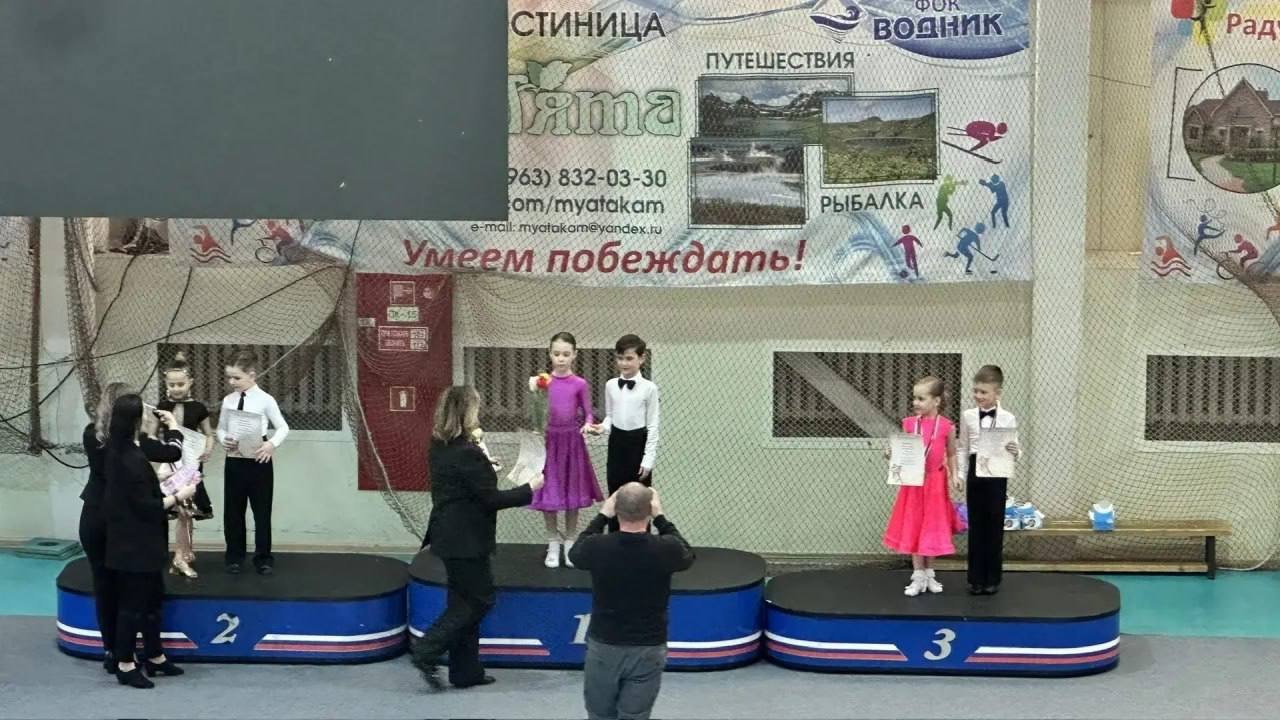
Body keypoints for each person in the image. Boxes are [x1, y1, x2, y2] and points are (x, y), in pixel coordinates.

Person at [412, 386, 543, 691]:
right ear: (466, 412)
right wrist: (530, 488)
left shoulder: (441, 445)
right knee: (479, 601)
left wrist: (487, 467)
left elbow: (467, 484)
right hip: (466, 539)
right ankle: (426, 649)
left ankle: (465, 671)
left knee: (462, 601)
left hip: (448, 533)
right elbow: (490, 499)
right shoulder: (468, 453)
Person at [80, 383, 185, 674]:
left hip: (96, 516)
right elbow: (170, 453)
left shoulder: (93, 434)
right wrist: (169, 428)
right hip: (119, 521)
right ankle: (128, 654)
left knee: (106, 587)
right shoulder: (128, 446)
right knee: (130, 591)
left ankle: (115, 652)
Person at [568, 484, 694, 720]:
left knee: (599, 713)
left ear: (615, 509)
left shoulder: (598, 547)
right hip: (648, 645)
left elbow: (575, 553)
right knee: (636, 715)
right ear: (650, 509)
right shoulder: (666, 548)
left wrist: (602, 516)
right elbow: (687, 553)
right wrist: (661, 517)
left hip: (605, 644)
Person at [102, 394, 195, 688]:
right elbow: (146, 506)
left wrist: (173, 427)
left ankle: (155, 656)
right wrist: (179, 496)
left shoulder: (132, 447)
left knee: (153, 600)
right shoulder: (126, 458)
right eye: (144, 413)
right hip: (133, 545)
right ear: (134, 420)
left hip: (146, 541)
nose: (148, 417)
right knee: (132, 606)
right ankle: (125, 664)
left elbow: (170, 454)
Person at [883, 376, 961, 596]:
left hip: (936, 484)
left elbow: (951, 453)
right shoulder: (909, 424)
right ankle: (917, 575)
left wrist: (956, 475)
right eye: (914, 398)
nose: (915, 402)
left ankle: (929, 573)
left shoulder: (947, 426)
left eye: (921, 398)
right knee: (915, 525)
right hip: (914, 484)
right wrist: (890, 454)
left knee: (932, 527)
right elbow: (903, 452)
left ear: (936, 401)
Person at [530, 332, 602, 568]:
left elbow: (588, 412)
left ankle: (570, 542)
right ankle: (553, 542)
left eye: (566, 354)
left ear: (574, 355)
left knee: (572, 492)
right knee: (548, 491)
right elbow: (536, 412)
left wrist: (588, 424)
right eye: (556, 354)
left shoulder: (579, 383)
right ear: (550, 354)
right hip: (549, 442)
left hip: (572, 442)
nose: (561, 358)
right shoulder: (542, 382)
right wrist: (537, 426)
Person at [217, 350, 289, 575]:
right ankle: (234, 557)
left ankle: (263, 558)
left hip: (259, 460)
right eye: (229, 377)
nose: (231, 382)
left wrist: (271, 444)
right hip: (235, 460)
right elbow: (220, 428)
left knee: (261, 511)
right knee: (233, 511)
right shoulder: (228, 401)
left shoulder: (266, 400)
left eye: (236, 377)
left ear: (252, 375)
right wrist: (223, 439)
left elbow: (283, 427)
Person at [585, 334, 661, 533]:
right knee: (616, 496)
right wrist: (602, 427)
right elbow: (611, 416)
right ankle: (614, 539)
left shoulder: (649, 388)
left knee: (640, 500)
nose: (624, 363)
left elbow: (653, 425)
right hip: (616, 444)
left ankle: (641, 543)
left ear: (641, 358)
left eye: (629, 358)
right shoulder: (611, 385)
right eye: (620, 358)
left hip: (638, 445)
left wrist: (648, 459)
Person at [956, 365, 1020, 595]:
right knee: (976, 525)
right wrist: (960, 474)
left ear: (997, 393)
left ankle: (993, 578)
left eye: (983, 392)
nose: (978, 396)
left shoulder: (1008, 418)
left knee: (994, 525)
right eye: (976, 391)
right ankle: (975, 579)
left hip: (998, 472)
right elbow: (962, 447)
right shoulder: (968, 416)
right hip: (975, 469)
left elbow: (1015, 447)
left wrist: (1016, 451)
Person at [156, 352, 216, 578]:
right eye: (171, 385)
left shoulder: (198, 407)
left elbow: (209, 434)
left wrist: (208, 450)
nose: (176, 388)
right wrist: (159, 451)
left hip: (191, 465)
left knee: (187, 512)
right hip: (170, 466)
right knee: (180, 511)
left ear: (190, 382)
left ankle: (182, 555)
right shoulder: (162, 406)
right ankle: (180, 557)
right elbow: (151, 435)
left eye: (180, 384)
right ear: (166, 384)